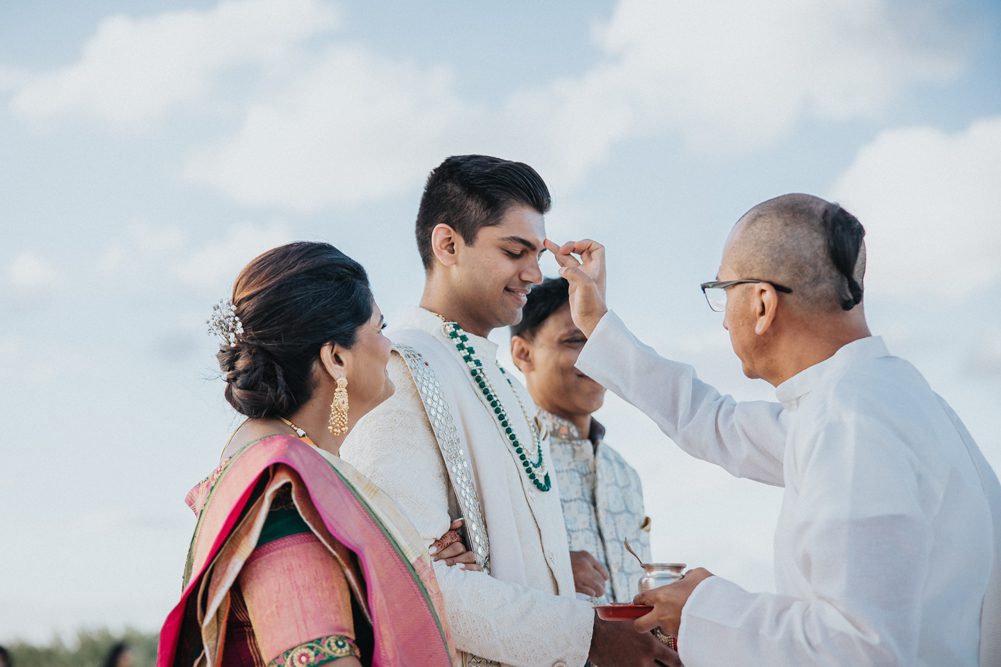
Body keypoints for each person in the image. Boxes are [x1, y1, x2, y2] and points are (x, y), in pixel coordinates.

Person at [547, 193, 1001, 666]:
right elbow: (713, 421)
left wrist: (702, 608)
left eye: (722, 292)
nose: (723, 320)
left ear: (762, 303)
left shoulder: (849, 422)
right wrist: (597, 324)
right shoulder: (884, 399)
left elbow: (861, 648)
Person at [342, 155, 677, 666]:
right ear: (448, 244)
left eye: (537, 254)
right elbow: (415, 578)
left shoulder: (500, 380)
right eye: (514, 251)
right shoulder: (400, 373)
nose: (533, 274)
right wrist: (587, 639)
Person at [158, 242, 474, 666]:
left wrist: (404, 574)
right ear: (337, 358)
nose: (389, 345)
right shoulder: (283, 494)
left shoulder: (293, 468)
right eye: (380, 328)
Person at [510, 277, 651, 603]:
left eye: (600, 343)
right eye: (575, 341)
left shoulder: (625, 474)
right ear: (523, 353)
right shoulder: (509, 455)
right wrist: (551, 571)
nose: (595, 358)